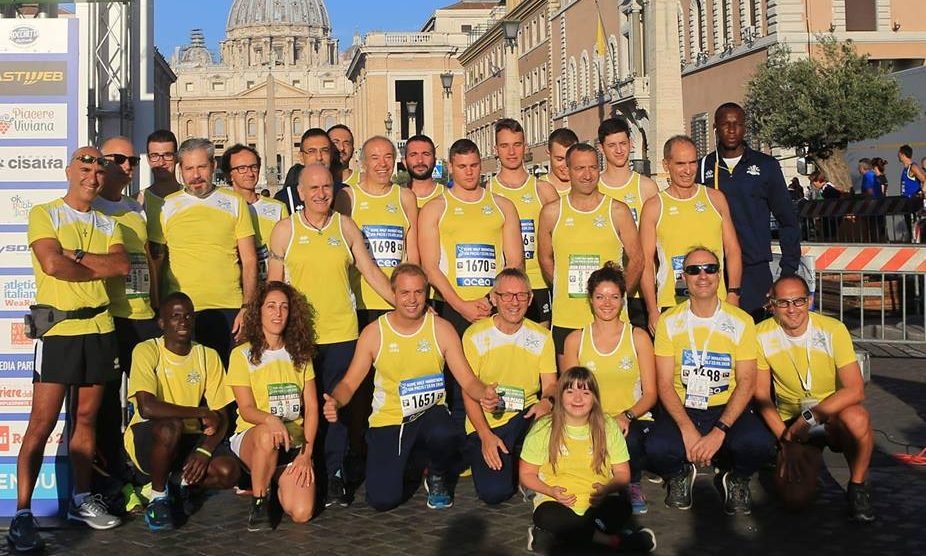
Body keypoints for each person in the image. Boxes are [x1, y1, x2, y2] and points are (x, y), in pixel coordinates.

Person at [8, 148, 130, 552]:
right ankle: (23, 512)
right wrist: (85, 264)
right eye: (85, 167)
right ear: (69, 171)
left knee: (86, 419)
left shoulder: (108, 222)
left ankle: (81, 498)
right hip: (59, 329)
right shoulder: (45, 213)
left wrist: (74, 256)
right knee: (42, 422)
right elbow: (51, 265)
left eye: (99, 170)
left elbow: (120, 268)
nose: (92, 176)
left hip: (99, 325)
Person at [267, 163, 395, 508]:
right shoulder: (284, 231)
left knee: (333, 406)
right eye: (314, 188)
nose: (321, 194)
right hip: (300, 335)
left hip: (341, 332)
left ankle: (335, 470)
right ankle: (300, 467)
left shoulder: (347, 227)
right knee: (300, 405)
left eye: (327, 187)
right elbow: (274, 287)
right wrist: (267, 330)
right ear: (301, 192)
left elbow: (371, 271)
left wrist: (405, 303)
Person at [322, 264, 500, 511]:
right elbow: (350, 383)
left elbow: (468, 381)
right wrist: (336, 401)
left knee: (445, 432)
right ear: (393, 294)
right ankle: (409, 460)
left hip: (430, 415)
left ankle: (437, 473)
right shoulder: (375, 333)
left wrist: (485, 393)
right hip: (390, 420)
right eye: (405, 293)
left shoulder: (441, 329)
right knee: (382, 500)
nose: (412, 299)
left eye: (418, 292)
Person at [645, 247, 773, 515]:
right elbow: (664, 383)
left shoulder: (741, 321)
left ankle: (736, 478)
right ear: (683, 278)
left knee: (760, 444)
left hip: (724, 406)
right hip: (684, 406)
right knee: (656, 448)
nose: (702, 275)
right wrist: (687, 428)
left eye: (710, 268)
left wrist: (720, 430)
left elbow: (747, 381)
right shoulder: (669, 321)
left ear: (720, 274)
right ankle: (679, 472)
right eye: (693, 270)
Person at [418, 138, 522, 431]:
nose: (469, 172)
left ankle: (496, 435)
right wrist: (461, 305)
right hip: (453, 307)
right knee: (456, 382)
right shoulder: (436, 208)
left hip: (494, 307)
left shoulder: (502, 206)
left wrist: (491, 300)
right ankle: (461, 446)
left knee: (495, 373)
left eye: (474, 165)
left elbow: (514, 261)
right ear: (450, 167)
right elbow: (430, 266)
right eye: (462, 166)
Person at [754, 275, 874, 522]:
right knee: (794, 502)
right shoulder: (760, 335)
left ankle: (858, 486)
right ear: (772, 304)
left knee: (858, 418)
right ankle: (811, 462)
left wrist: (808, 419)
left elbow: (855, 390)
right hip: (792, 419)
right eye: (784, 303)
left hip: (832, 414)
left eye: (798, 301)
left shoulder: (833, 329)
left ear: (809, 301)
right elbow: (761, 396)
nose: (792, 309)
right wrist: (786, 439)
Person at [124, 292, 239, 531]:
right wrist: (198, 412)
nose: (183, 322)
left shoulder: (208, 355)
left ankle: (176, 483)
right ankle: (157, 498)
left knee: (229, 471)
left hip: (187, 437)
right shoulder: (146, 350)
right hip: (149, 435)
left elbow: (222, 416)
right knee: (170, 426)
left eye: (188, 316)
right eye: (175, 316)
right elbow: (146, 407)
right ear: (162, 323)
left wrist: (205, 450)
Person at [519, 367, 656, 554]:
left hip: (597, 504)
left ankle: (554, 537)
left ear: (595, 398)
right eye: (570, 392)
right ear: (560, 396)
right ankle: (611, 541)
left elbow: (623, 474)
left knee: (621, 507)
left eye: (585, 392)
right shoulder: (543, 428)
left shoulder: (608, 426)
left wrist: (607, 489)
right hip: (556, 504)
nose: (577, 398)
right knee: (546, 515)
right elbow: (526, 474)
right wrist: (550, 490)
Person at [561, 262, 657, 515]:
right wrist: (593, 418)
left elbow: (651, 393)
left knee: (630, 439)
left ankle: (631, 482)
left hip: (631, 417)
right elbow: (569, 393)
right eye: (600, 296)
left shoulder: (638, 337)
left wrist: (626, 416)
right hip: (589, 416)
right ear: (590, 300)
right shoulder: (575, 340)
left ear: (623, 299)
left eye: (614, 297)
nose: (607, 303)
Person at [153, 138, 257, 365]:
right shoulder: (166, 206)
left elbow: (249, 260)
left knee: (229, 388)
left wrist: (247, 307)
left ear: (213, 165)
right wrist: (158, 305)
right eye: (189, 168)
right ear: (180, 170)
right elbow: (158, 262)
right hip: (183, 312)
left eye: (201, 167)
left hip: (229, 309)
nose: (196, 175)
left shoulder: (234, 202)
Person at [537, 143, 642, 366]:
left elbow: (637, 259)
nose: (587, 175)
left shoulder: (618, 211)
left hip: (611, 319)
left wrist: (619, 297)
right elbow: (545, 257)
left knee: (611, 388)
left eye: (593, 168)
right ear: (568, 170)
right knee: (571, 391)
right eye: (580, 168)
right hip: (568, 317)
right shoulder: (552, 212)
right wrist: (561, 284)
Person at [93, 136, 161, 478]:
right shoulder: (91, 208)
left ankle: (146, 470)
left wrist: (158, 305)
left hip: (144, 317)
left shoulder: (136, 209)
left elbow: (149, 259)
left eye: (133, 161)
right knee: (105, 404)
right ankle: (109, 473)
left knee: (147, 401)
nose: (127, 167)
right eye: (118, 159)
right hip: (110, 317)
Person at [227, 282, 319, 530]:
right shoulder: (241, 355)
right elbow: (246, 408)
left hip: (293, 442)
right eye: (271, 306)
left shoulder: (300, 354)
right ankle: (259, 499)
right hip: (254, 435)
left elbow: (311, 409)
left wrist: (306, 455)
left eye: (284, 307)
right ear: (259, 312)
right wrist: (270, 419)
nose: (277, 313)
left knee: (301, 513)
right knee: (269, 435)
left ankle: (273, 479)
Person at [697, 102, 800, 322]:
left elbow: (788, 220)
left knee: (755, 336)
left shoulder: (766, 166)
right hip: (715, 269)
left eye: (738, 124)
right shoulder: (703, 167)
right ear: (715, 128)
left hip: (755, 268)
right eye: (726, 124)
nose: (732, 130)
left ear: (745, 128)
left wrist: (788, 270)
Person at [462, 268, 557, 505]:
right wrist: (484, 435)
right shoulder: (473, 336)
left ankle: (530, 471)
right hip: (488, 423)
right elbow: (468, 392)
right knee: (494, 494)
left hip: (527, 416)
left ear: (530, 298)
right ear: (493, 298)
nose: (514, 302)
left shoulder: (542, 337)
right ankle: (513, 462)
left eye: (521, 295)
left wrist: (547, 401)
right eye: (506, 295)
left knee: (555, 420)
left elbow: (551, 386)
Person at [640, 135, 742, 335]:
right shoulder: (654, 206)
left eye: (692, 162)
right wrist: (652, 310)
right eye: (680, 164)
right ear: (666, 164)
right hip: (672, 304)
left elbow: (732, 249)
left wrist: (733, 294)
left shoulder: (715, 199)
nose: (688, 170)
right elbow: (645, 263)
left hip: (717, 302)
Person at [334, 135, 419, 325]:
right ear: (363, 162)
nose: (382, 163)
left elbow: (412, 253)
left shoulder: (405, 197)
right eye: (375, 158)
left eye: (388, 157)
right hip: (362, 302)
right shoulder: (347, 196)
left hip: (399, 302)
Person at [488, 119, 559, 326]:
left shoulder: (543, 190)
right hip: (503, 288)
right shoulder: (488, 191)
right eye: (504, 146)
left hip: (538, 282)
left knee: (538, 344)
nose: (511, 152)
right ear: (496, 150)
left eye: (517, 145)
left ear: (525, 147)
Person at [597, 117, 660, 329]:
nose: (618, 151)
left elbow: (657, 244)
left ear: (631, 144)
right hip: (605, 290)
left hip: (641, 291)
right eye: (612, 145)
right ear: (602, 148)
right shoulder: (595, 187)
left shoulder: (646, 187)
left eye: (623, 144)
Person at [221, 144, 287, 282]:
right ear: (229, 174)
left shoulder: (278, 208)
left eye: (253, 167)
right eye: (242, 168)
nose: (250, 173)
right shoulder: (221, 208)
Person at [140, 129, 181, 300]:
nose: (161, 162)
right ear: (149, 159)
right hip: (154, 296)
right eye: (155, 156)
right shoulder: (139, 201)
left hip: (187, 293)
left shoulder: (190, 198)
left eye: (167, 155)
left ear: (176, 157)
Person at [275, 128, 343, 214]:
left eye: (325, 151)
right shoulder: (285, 198)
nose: (319, 157)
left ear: (331, 155)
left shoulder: (346, 193)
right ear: (301, 157)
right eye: (311, 151)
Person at [403, 134, 445, 208]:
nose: (420, 161)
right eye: (413, 155)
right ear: (404, 162)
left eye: (426, 154)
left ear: (434, 161)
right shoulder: (396, 198)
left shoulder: (448, 196)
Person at [545, 128, 579, 197]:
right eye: (560, 159)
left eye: (570, 158)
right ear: (549, 154)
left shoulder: (589, 186)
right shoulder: (536, 188)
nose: (565, 165)